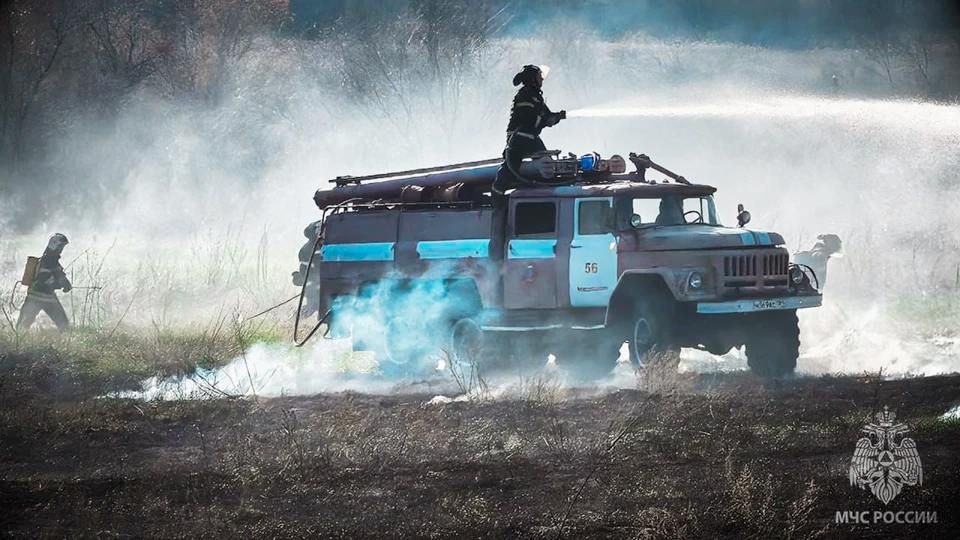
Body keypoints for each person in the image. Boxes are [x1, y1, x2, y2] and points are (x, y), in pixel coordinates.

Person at [492, 64, 566, 206]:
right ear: (532, 79)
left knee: (547, 164)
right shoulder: (525, 95)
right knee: (511, 166)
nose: (541, 80)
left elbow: (546, 117)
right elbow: (529, 119)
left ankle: (544, 193)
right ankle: (497, 196)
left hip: (530, 137)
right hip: (518, 138)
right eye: (539, 77)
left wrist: (558, 116)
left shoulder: (536, 97)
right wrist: (545, 119)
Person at [17, 233, 72, 331]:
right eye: (60, 247)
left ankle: (17, 337)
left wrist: (65, 284)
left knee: (21, 327)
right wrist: (60, 284)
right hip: (40, 298)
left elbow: (59, 275)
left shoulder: (50, 260)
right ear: (54, 245)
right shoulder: (48, 261)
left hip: (40, 297)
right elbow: (44, 281)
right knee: (63, 325)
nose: (61, 250)